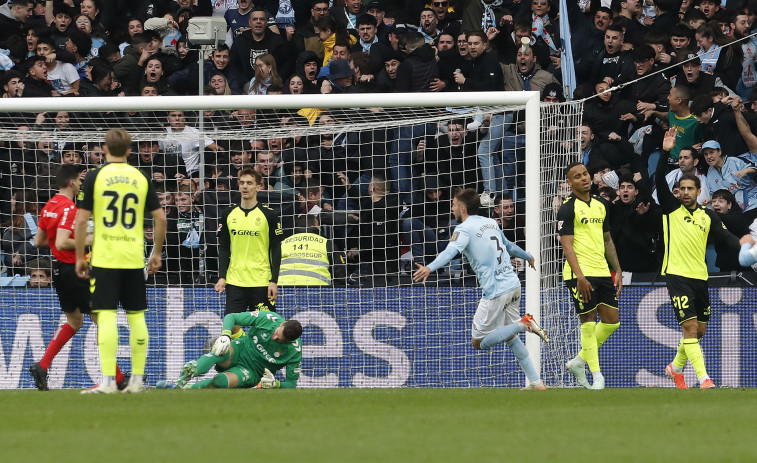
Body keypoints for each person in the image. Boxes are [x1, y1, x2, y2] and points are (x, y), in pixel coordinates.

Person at [413, 189, 550, 390]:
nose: (451, 208)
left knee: (479, 342)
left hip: (496, 291)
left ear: (462, 208)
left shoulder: (464, 228)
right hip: (513, 284)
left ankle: (524, 324)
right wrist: (528, 256)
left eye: (453, 204)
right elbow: (509, 246)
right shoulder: (491, 223)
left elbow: (451, 251)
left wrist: (429, 267)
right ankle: (536, 382)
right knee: (509, 336)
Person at [74, 129, 167, 394]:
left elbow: (81, 221)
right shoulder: (140, 176)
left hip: (105, 257)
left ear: (104, 149)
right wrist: (156, 253)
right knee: (137, 316)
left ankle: (108, 382)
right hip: (133, 257)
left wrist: (81, 256)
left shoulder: (95, 176)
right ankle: (136, 381)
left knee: (106, 317)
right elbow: (160, 218)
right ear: (129, 150)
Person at [656, 128, 742, 389]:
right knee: (690, 329)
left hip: (700, 277)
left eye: (689, 188)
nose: (684, 192)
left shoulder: (708, 216)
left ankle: (675, 367)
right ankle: (704, 379)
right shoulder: (671, 210)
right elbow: (660, 180)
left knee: (700, 330)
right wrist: (664, 152)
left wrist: (747, 251)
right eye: (681, 188)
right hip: (677, 275)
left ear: (698, 190)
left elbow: (726, 239)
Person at [28, 164, 125, 391]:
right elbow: (62, 241)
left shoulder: (49, 205)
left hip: (60, 271)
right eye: (80, 182)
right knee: (103, 320)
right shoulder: (68, 208)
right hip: (76, 270)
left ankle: (42, 365)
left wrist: (63, 241)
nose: (81, 186)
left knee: (75, 321)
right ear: (72, 183)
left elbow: (39, 241)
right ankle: (117, 378)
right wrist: (88, 240)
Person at [558, 162, 623, 390]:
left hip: (602, 271)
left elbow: (607, 240)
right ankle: (596, 376)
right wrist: (580, 277)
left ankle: (578, 361)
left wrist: (617, 270)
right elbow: (567, 246)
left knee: (612, 322)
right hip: (580, 273)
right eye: (577, 176)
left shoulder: (601, 205)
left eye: (585, 174)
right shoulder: (567, 208)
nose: (584, 178)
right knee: (588, 322)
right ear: (570, 183)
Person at [215, 167, 283, 340]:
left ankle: (265, 366)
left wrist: (274, 281)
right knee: (231, 325)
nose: (245, 186)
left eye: (250, 183)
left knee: (267, 330)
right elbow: (223, 247)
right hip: (235, 281)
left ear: (259, 187)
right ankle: (246, 348)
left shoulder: (269, 215)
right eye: (242, 183)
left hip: (261, 281)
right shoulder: (228, 213)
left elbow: (276, 249)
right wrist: (222, 276)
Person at [158, 311, 302, 389]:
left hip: (253, 372)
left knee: (220, 382)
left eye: (280, 340)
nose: (275, 338)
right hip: (240, 348)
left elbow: (291, 384)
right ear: (282, 323)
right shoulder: (268, 318)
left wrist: (276, 384)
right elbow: (232, 317)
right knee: (221, 349)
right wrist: (226, 335)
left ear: (290, 341)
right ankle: (187, 375)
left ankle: (183, 391)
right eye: (277, 332)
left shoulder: (294, 351)